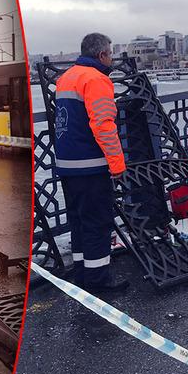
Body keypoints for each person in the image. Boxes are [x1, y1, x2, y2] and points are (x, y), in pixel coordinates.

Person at [54, 32, 128, 294]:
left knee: (78, 220)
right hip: (90, 164)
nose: (112, 58)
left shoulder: (67, 78)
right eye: (110, 53)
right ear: (101, 55)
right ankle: (98, 280)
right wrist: (117, 165)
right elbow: (103, 125)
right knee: (97, 221)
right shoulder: (96, 80)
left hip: (67, 164)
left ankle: (82, 273)